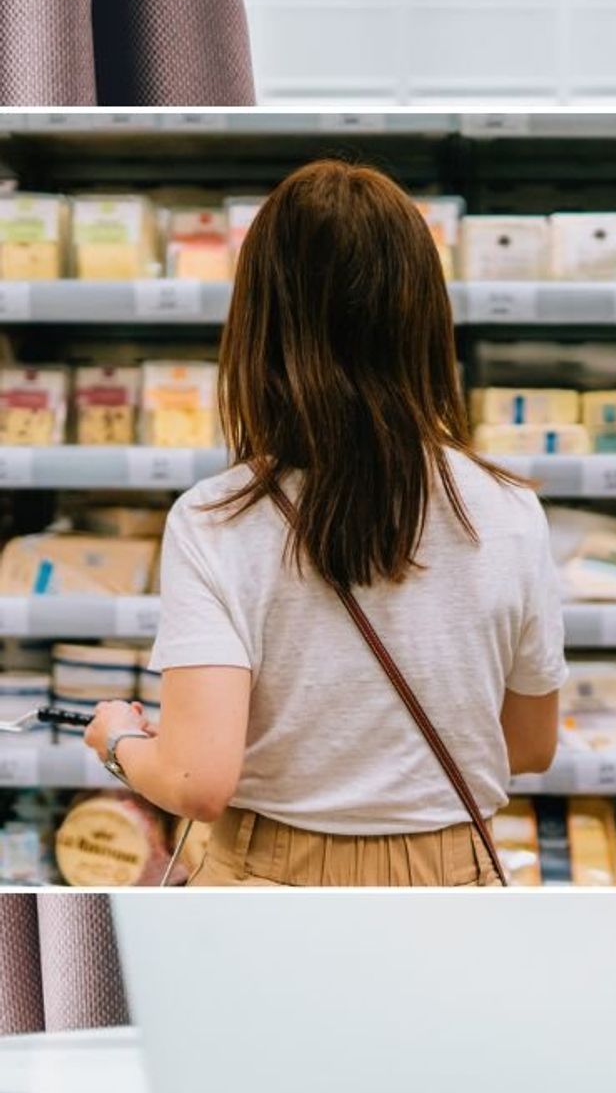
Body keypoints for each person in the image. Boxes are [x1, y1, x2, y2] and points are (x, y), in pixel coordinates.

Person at [82, 160, 566, 886]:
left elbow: (197, 779)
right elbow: (529, 744)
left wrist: (119, 738)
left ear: (261, 322)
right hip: (453, 882)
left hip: (269, 880)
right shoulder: (509, 511)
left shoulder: (217, 519)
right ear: (424, 315)